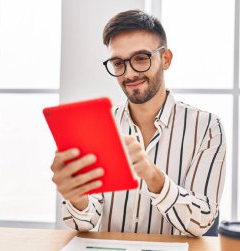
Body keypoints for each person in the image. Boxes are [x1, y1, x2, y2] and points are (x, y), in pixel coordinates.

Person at [51, 9, 226, 237]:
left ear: (166, 59)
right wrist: (76, 198)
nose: (129, 73)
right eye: (118, 63)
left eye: (141, 58)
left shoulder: (206, 128)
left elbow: (201, 221)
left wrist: (153, 177)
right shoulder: (101, 127)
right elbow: (85, 221)